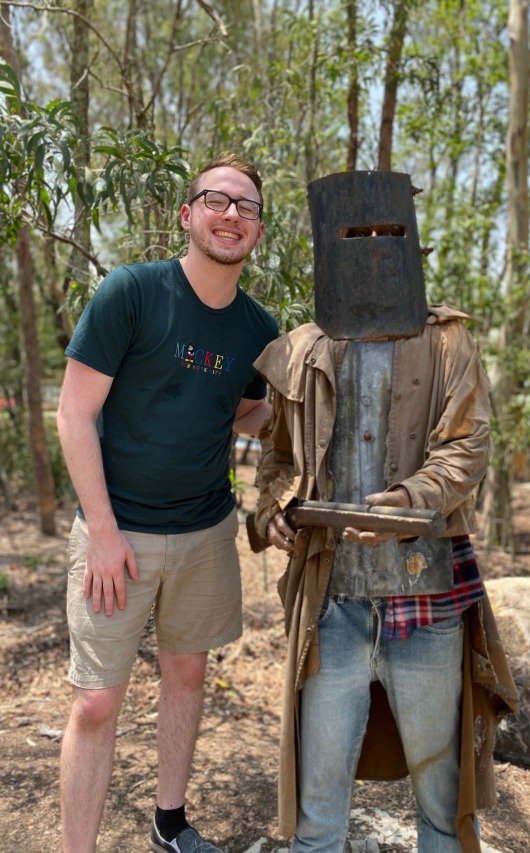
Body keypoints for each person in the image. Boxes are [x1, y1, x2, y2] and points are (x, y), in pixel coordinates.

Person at [253, 170, 518, 853]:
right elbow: (276, 460)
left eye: (387, 229)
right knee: (317, 811)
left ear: (411, 238)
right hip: (331, 605)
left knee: (442, 802)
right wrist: (275, 509)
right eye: (354, 231)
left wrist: (406, 502)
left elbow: (467, 448)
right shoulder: (303, 347)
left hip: (425, 601)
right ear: (327, 241)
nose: (371, 244)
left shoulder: (447, 342)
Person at [56, 152, 279, 853]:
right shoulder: (133, 292)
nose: (232, 214)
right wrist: (102, 532)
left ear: (258, 231)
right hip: (117, 530)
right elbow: (73, 414)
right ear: (187, 215)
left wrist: (307, 411)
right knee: (97, 701)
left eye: (247, 207)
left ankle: (169, 822)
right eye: (217, 200)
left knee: (187, 672)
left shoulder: (259, 328)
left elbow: (242, 412)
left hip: (204, 529)